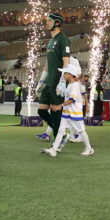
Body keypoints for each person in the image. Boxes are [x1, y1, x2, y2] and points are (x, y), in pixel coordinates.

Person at [43, 60, 94, 157]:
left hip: (74, 113)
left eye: (66, 73)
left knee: (81, 131)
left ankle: (89, 148)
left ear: (71, 74)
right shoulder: (70, 85)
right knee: (61, 130)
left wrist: (60, 105)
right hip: (67, 113)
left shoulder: (74, 86)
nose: (64, 75)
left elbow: (72, 100)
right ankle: (54, 149)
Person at [36, 14, 71, 142]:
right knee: (42, 110)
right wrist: (41, 80)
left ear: (57, 23)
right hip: (49, 81)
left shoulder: (63, 39)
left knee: (56, 109)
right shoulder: (50, 41)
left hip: (57, 80)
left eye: (49, 21)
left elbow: (66, 61)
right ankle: (61, 133)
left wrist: (62, 81)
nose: (47, 23)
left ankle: (58, 140)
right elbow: (47, 63)